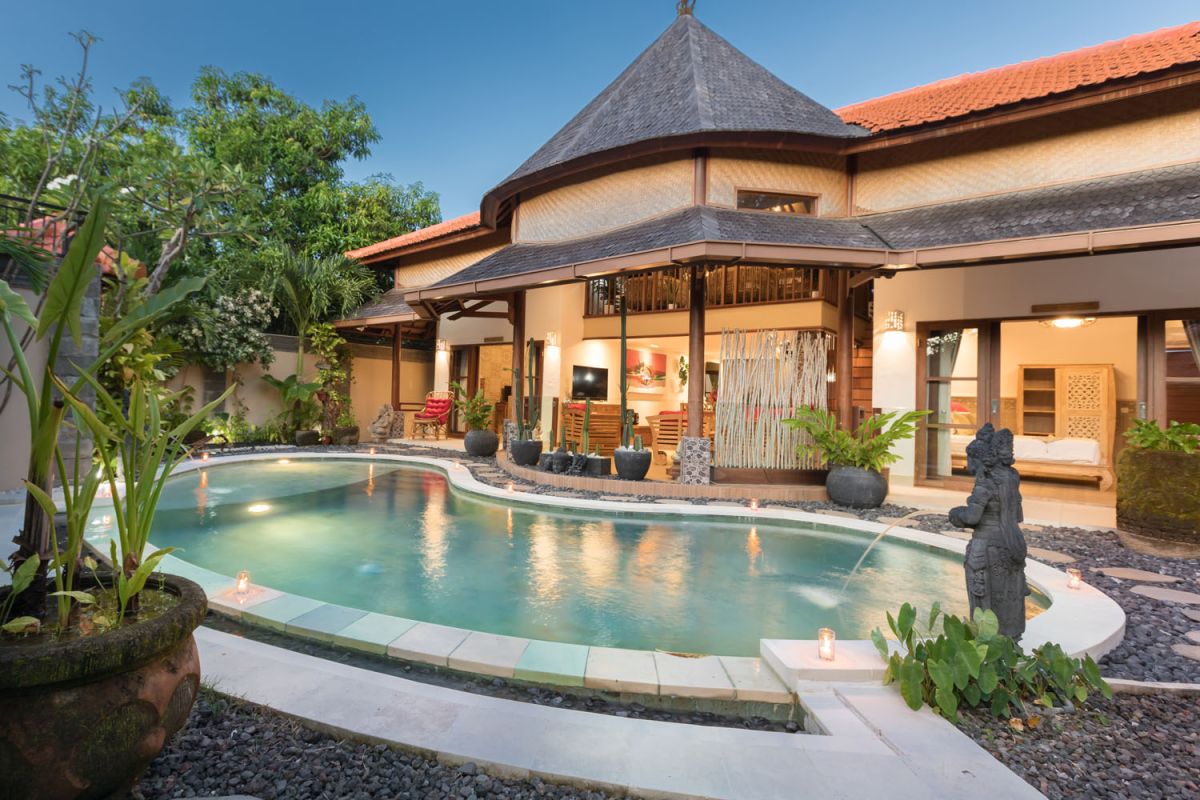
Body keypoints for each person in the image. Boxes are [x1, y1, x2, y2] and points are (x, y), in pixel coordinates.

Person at [949, 426, 1029, 639]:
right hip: (1012, 545)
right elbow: (1017, 515)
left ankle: (986, 646)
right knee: (1009, 597)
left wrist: (955, 514)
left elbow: (973, 517)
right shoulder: (1012, 478)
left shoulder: (986, 482)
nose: (968, 465)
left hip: (986, 549)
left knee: (985, 600)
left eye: (970, 460)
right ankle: (1011, 643)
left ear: (980, 459)